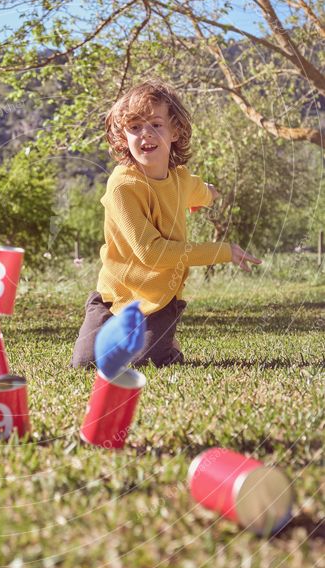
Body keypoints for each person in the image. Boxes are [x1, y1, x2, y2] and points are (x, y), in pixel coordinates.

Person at [70, 78, 262, 370]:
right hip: (115, 294)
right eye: (134, 127)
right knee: (85, 363)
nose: (145, 134)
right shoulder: (123, 186)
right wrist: (223, 251)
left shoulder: (181, 179)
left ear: (175, 131)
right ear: (123, 137)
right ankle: (138, 336)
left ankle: (165, 344)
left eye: (156, 125)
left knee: (144, 362)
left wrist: (208, 194)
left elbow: (198, 190)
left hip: (160, 297)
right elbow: (151, 253)